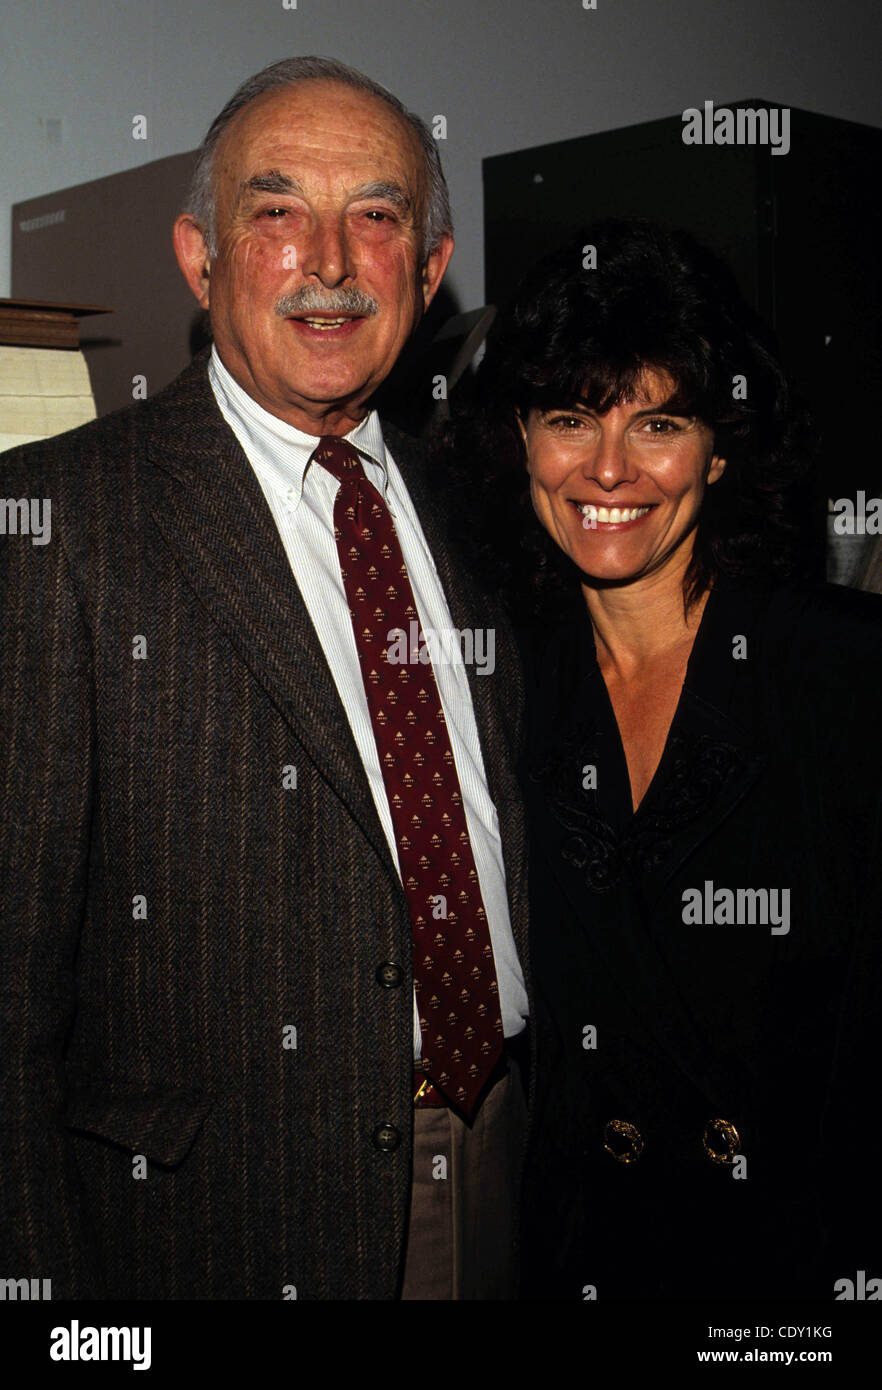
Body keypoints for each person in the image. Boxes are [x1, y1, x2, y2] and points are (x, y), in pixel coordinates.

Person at [0, 56, 530, 1301]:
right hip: (214, 1224)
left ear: (432, 266)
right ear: (201, 256)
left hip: (508, 1158)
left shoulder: (492, 514)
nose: (332, 262)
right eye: (278, 212)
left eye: (379, 217)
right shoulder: (56, 519)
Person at [444, 219, 882, 1299]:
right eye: (569, 418)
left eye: (660, 423)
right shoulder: (500, 687)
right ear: (521, 441)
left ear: (721, 447)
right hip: (585, 1251)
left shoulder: (846, 673)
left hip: (794, 1260)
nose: (608, 469)